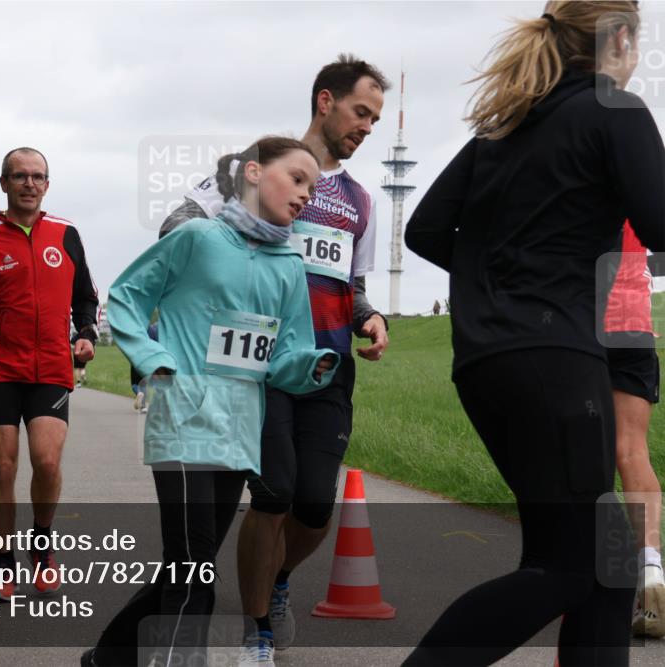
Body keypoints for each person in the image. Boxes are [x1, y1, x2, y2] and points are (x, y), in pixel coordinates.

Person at [403, 3, 663, 664]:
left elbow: (425, 229)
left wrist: (502, 280)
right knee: (570, 567)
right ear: (622, 38)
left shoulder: (506, 122)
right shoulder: (615, 109)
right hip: (556, 364)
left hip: (489, 363)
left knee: (606, 561)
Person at [159, 54, 391, 660]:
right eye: (361, 112)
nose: (367, 126)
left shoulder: (361, 200)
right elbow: (177, 223)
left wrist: (370, 316)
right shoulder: (260, 166)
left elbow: (352, 283)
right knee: (272, 495)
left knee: (315, 505)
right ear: (325, 100)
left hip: (327, 365)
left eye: (374, 118)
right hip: (259, 366)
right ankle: (256, 625)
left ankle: (278, 580)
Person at [83, 137, 339, 667]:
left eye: (312, 189)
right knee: (195, 571)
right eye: (296, 179)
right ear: (251, 172)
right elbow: (128, 295)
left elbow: (287, 352)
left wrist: (312, 367)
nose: (305, 196)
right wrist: (151, 353)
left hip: (240, 427)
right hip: (184, 418)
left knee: (188, 564)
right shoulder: (197, 237)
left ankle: (107, 658)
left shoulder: (289, 264)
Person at [0, 146, 99, 600]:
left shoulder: (66, 234)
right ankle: (3, 562)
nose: (29, 183)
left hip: (51, 365)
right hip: (0, 368)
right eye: (20, 176)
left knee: (47, 461)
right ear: (3, 183)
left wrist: (86, 332)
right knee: (3, 465)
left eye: (38, 176)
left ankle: (42, 546)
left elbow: (86, 298)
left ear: (47, 184)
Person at [603, 221, 664, 638]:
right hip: (635, 322)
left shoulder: (582, 167)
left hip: (581, 320)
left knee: (586, 453)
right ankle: (651, 567)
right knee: (632, 450)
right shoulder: (642, 180)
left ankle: (591, 576)